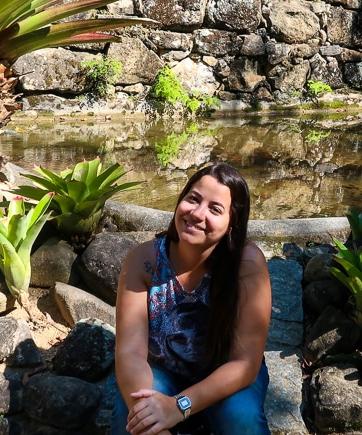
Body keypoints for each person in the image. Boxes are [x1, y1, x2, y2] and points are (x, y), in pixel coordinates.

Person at [111, 163, 272, 435]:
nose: (197, 214)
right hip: (161, 370)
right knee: (136, 421)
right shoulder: (144, 260)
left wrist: (179, 406)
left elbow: (245, 363)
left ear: (233, 222)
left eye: (215, 209)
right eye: (193, 199)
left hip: (226, 374)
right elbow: (130, 352)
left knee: (242, 419)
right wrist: (149, 411)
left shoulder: (246, 265)